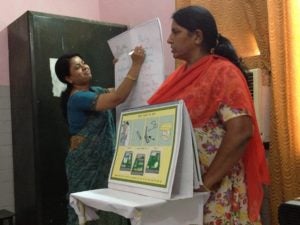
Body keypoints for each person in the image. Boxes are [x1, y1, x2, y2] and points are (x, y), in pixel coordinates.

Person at [148, 5, 270, 225]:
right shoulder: (178, 76)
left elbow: (241, 131)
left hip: (216, 185)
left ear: (197, 36)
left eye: (176, 32)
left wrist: (207, 183)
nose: (169, 39)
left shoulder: (223, 72)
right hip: (187, 185)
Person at [55, 46, 145, 225]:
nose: (85, 67)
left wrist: (122, 68)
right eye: (78, 67)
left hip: (104, 163)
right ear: (68, 78)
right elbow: (117, 97)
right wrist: (136, 64)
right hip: (86, 165)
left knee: (108, 209)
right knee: (84, 212)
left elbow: (121, 89)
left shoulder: (95, 91)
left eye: (84, 63)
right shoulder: (77, 98)